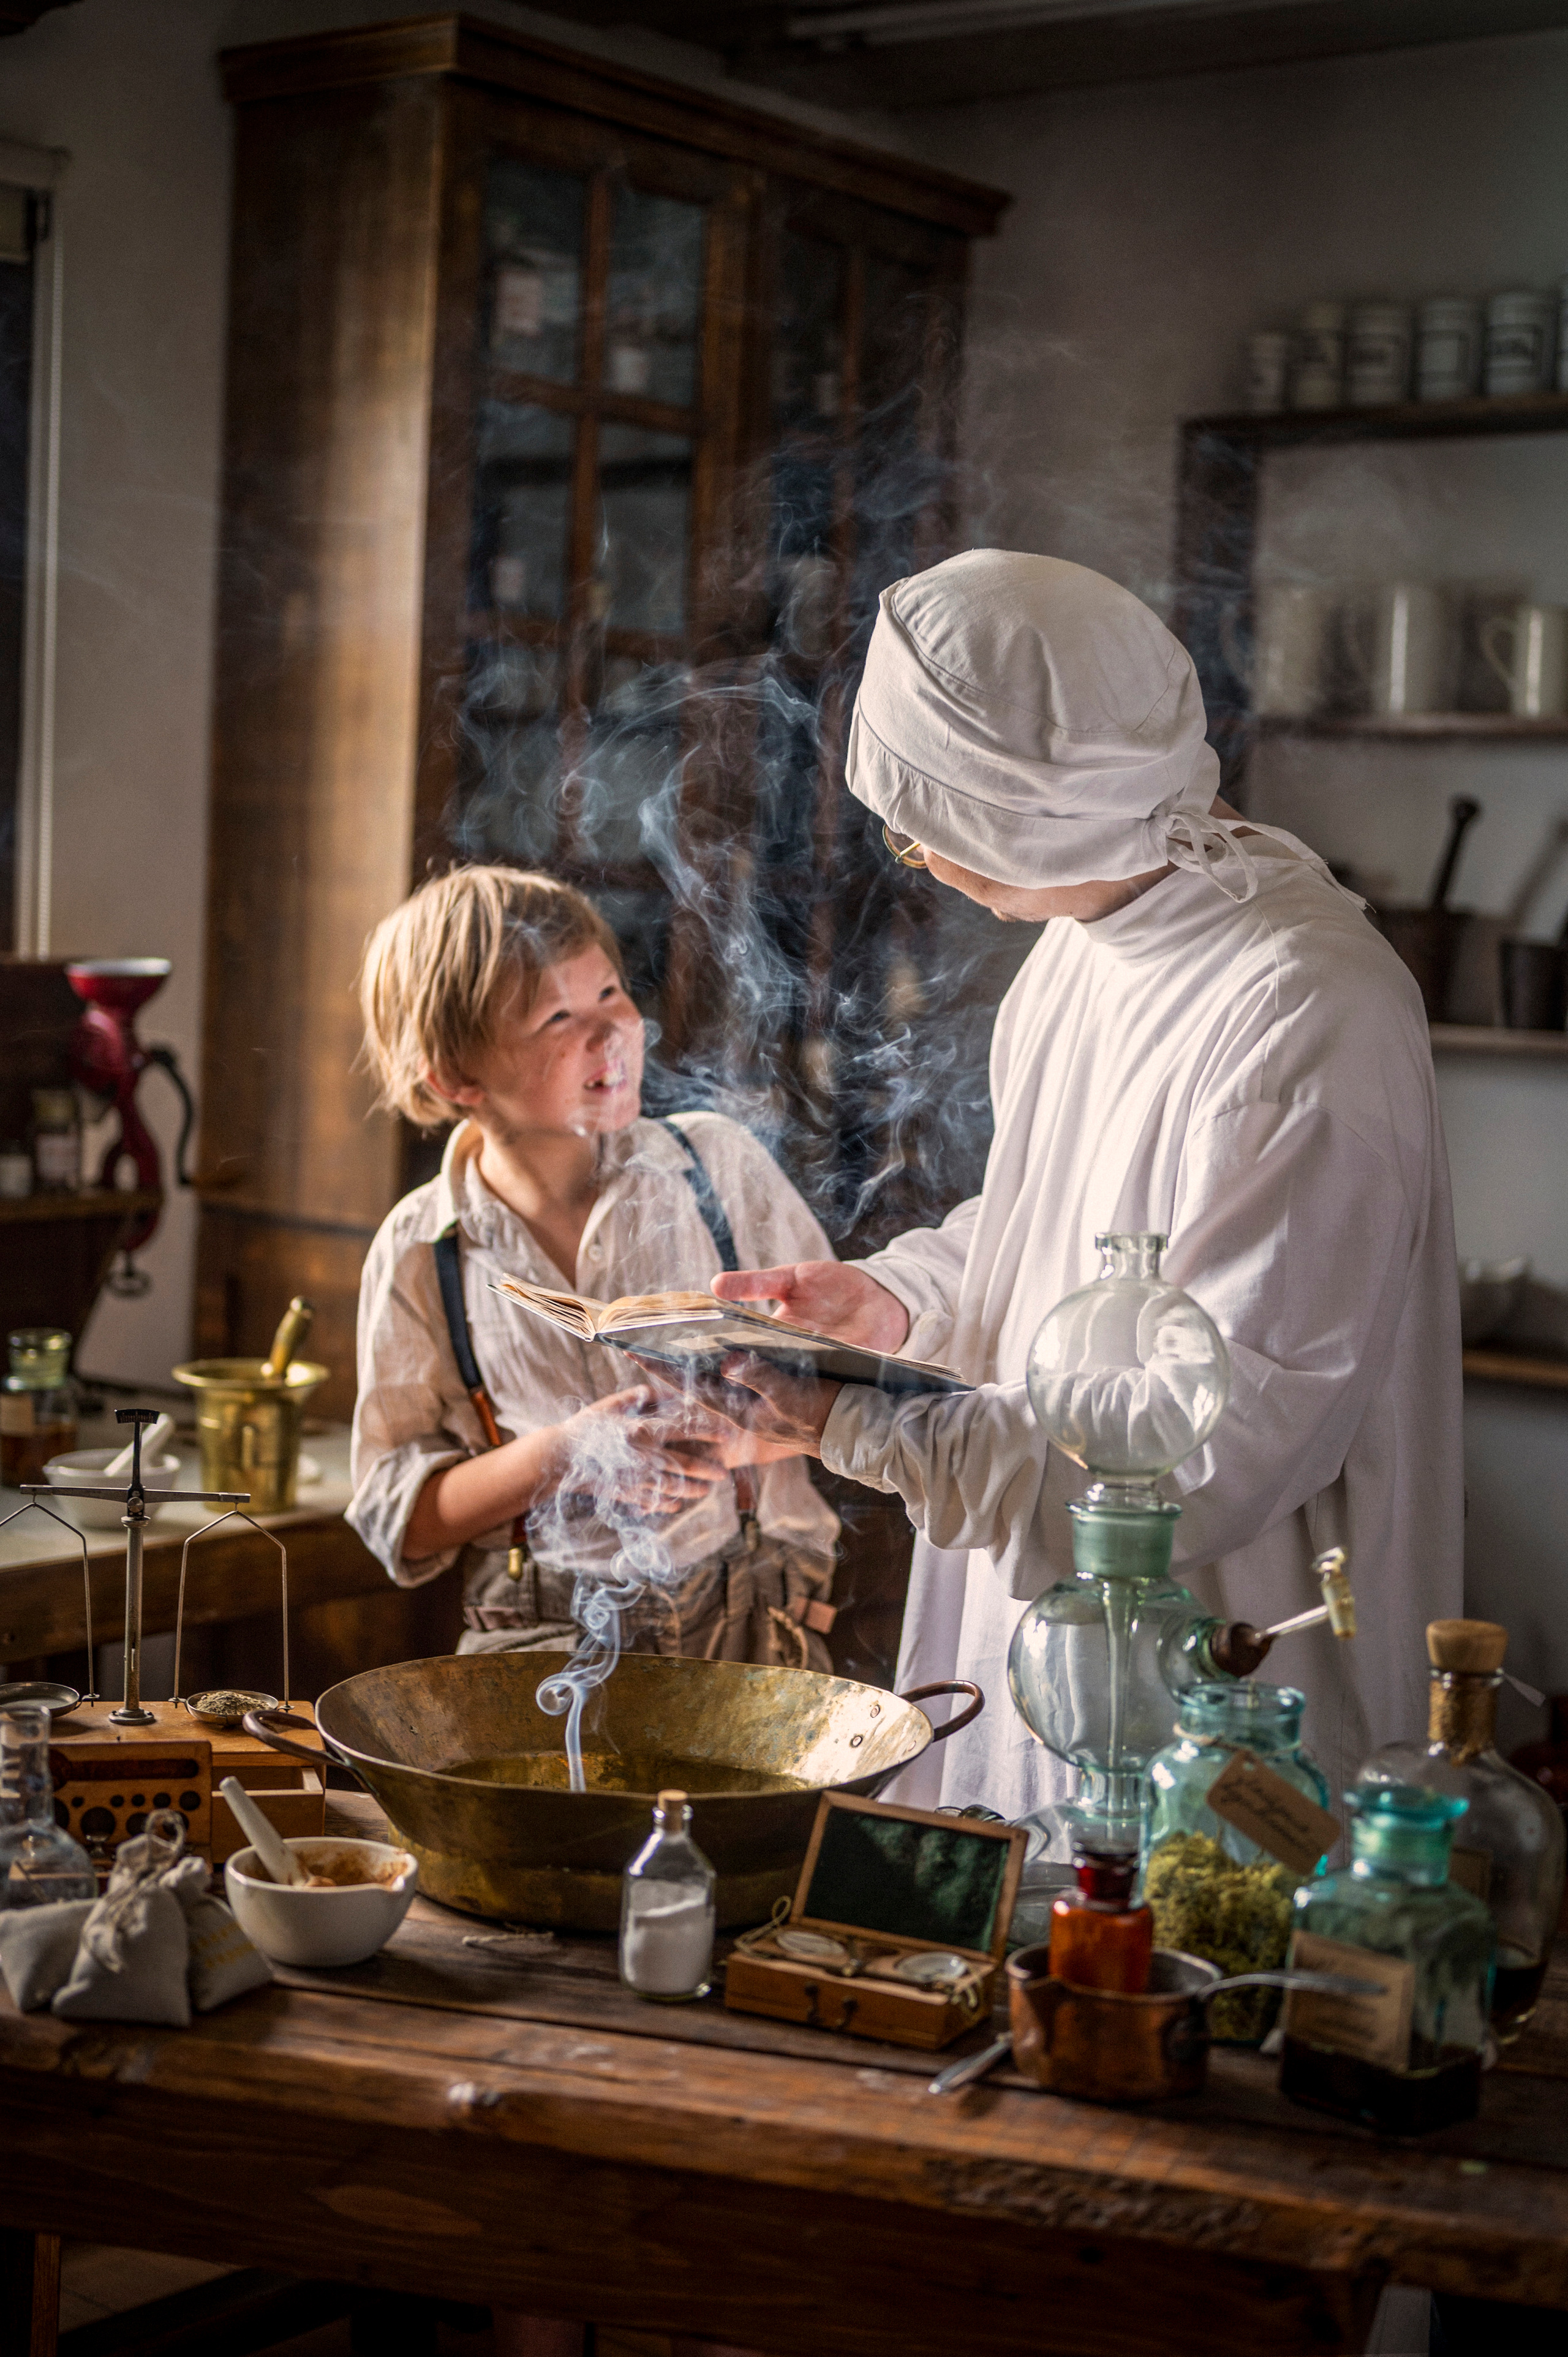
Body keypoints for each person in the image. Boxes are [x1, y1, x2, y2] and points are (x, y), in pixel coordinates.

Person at [694, 550, 1463, 1818]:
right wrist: (894, 1305)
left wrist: (857, 1425)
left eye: (929, 828)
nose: (919, 862)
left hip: (1217, 1674)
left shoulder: (1303, 1005)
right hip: (1041, 1633)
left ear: (1036, 813)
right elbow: (1063, 1231)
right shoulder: (1084, 942)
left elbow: (1204, 1444)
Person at [347, 864, 839, 1668]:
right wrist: (565, 1454)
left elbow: (860, 1390)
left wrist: (731, 1440)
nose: (611, 1033)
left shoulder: (718, 1169)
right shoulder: (420, 1251)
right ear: (456, 1078)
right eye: (557, 1018)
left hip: (754, 1623)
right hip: (542, 1638)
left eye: (611, 994)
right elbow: (401, 1518)